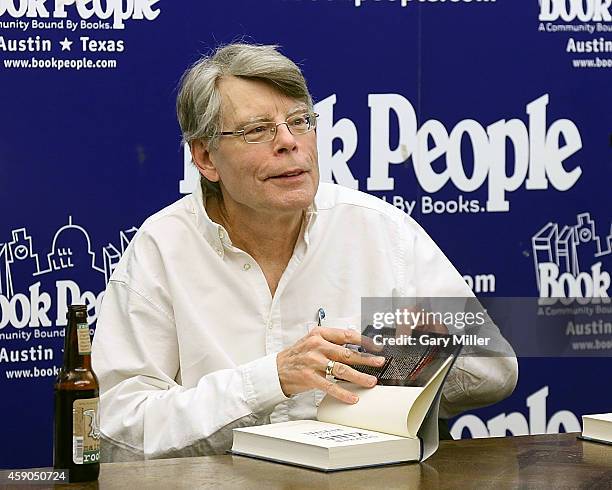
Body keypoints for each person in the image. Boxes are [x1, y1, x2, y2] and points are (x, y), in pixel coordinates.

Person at [91, 43, 518, 461]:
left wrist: (425, 355)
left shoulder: (380, 231)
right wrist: (270, 379)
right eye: (257, 130)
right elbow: (119, 427)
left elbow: (498, 370)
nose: (289, 142)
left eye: (301, 122)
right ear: (205, 158)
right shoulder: (162, 248)